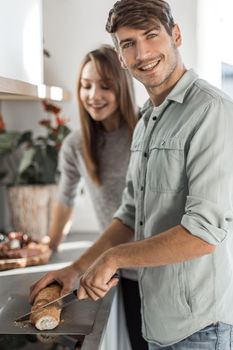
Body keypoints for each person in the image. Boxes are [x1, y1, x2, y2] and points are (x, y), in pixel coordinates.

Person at [30, 1, 233, 349]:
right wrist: (76, 268)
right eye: (128, 43)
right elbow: (129, 215)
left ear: (176, 35)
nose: (142, 52)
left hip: (199, 327)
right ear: (120, 56)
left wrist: (114, 257)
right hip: (159, 319)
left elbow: (204, 233)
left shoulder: (212, 110)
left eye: (151, 35)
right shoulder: (147, 120)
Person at [46, 45, 148, 350]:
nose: (94, 95)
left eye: (105, 86)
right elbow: (66, 199)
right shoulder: (77, 145)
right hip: (123, 271)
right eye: (86, 85)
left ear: (122, 87)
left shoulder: (146, 128)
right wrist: (50, 246)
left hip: (161, 264)